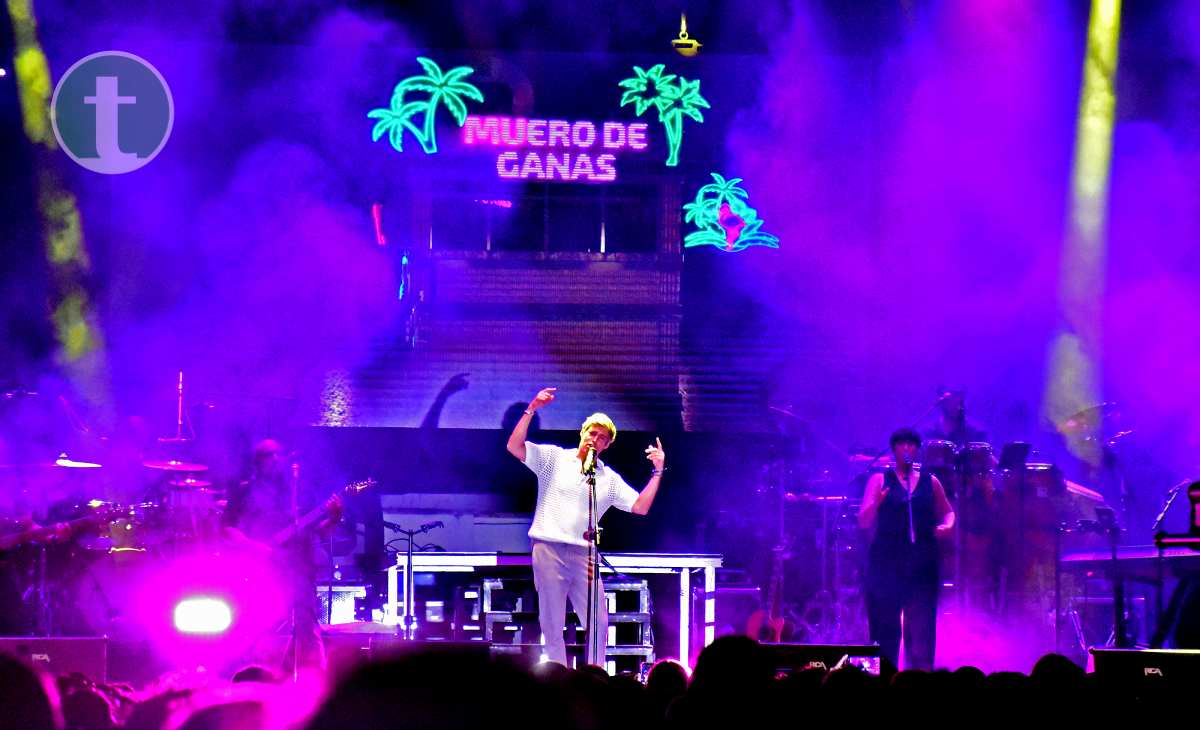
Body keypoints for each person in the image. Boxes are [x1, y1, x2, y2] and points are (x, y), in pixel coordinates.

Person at [506, 387, 664, 666]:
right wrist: (531, 408)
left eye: (603, 438)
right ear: (583, 432)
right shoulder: (554, 459)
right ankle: (558, 682)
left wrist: (658, 471)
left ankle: (594, 678)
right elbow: (514, 447)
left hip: (585, 556)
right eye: (593, 433)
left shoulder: (608, 478)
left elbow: (640, 507)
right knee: (552, 624)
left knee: (599, 623)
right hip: (549, 548)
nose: (596, 439)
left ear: (607, 446)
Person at [222, 439, 342, 673]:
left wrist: (335, 517)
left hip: (298, 568)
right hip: (261, 570)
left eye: (279, 455)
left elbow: (320, 530)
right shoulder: (245, 492)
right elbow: (227, 529)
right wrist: (257, 548)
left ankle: (314, 685)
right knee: (262, 625)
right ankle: (256, 678)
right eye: (269, 455)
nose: (276, 460)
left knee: (307, 627)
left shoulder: (298, 493)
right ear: (258, 462)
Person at [858, 427, 955, 670]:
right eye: (901, 444)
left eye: (912, 445)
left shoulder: (930, 481)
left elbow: (948, 511)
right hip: (887, 563)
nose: (907, 449)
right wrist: (876, 504)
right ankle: (883, 676)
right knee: (885, 627)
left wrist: (947, 526)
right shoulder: (880, 480)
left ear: (917, 450)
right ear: (893, 449)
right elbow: (864, 521)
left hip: (922, 562)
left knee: (921, 629)